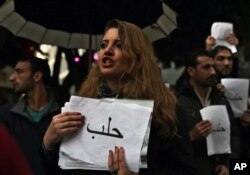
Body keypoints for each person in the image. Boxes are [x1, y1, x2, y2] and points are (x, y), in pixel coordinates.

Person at [43, 19, 196, 175]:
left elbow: (186, 171)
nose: (107, 51)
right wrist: (48, 144)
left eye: (119, 45)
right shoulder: (83, 108)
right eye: (103, 45)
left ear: (137, 57)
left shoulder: (165, 110)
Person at [175, 49, 240, 175]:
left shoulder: (221, 98)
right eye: (206, 67)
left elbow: (234, 135)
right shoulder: (178, 102)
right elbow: (168, 146)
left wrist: (226, 164)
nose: (213, 72)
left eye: (213, 67)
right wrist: (190, 137)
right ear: (191, 71)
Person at [0, 56, 64, 175]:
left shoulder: (63, 115)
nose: (12, 78)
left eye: (19, 72)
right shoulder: (5, 115)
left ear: (37, 76)